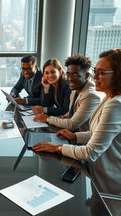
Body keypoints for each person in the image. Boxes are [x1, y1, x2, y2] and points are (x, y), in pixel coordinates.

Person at [32, 49, 121, 185]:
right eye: (95, 71)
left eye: (101, 73)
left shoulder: (114, 104)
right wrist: (75, 137)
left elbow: (90, 152)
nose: (95, 76)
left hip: (107, 179)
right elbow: (96, 133)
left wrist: (58, 148)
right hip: (96, 169)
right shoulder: (109, 97)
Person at [34, 55, 102, 131]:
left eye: (75, 74)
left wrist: (48, 118)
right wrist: (62, 118)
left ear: (86, 75)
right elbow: (69, 113)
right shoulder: (74, 91)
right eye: (68, 74)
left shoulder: (90, 95)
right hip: (73, 132)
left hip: (84, 137)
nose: (69, 79)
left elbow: (71, 124)